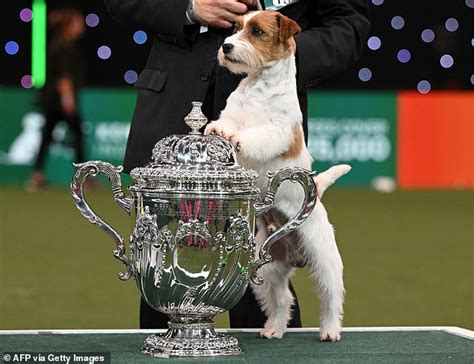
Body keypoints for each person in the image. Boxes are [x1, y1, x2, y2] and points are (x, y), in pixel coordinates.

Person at [104, 0, 370, 329]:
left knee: (262, 281)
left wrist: (283, 48)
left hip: (266, 128)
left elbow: (348, 25)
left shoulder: (282, 45)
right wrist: (189, 9)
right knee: (165, 278)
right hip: (173, 112)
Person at [27, 8, 86, 190]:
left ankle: (37, 175)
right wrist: (68, 100)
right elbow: (64, 77)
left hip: (52, 99)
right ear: (68, 26)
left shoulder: (57, 44)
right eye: (77, 23)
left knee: (47, 136)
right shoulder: (64, 47)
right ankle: (83, 178)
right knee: (76, 135)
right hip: (59, 100)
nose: (81, 26)